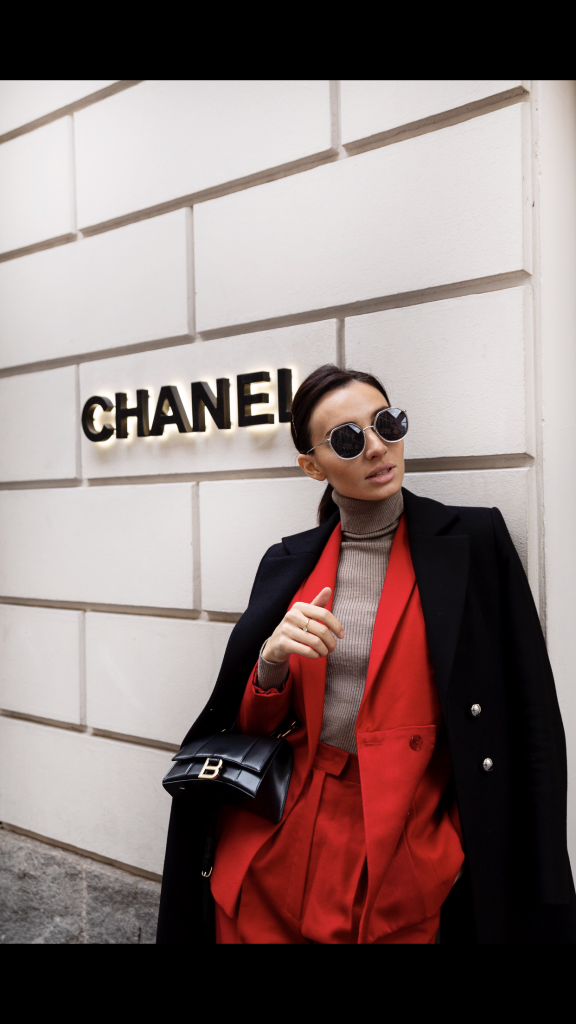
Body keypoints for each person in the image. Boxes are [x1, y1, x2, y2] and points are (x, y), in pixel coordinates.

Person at [157, 364, 576, 944]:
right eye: (348, 439)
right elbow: (252, 729)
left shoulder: (473, 541)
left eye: (387, 423)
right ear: (312, 466)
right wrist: (271, 661)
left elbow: (533, 714)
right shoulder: (287, 562)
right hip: (279, 833)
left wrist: (535, 867)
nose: (378, 447)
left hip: (409, 841)